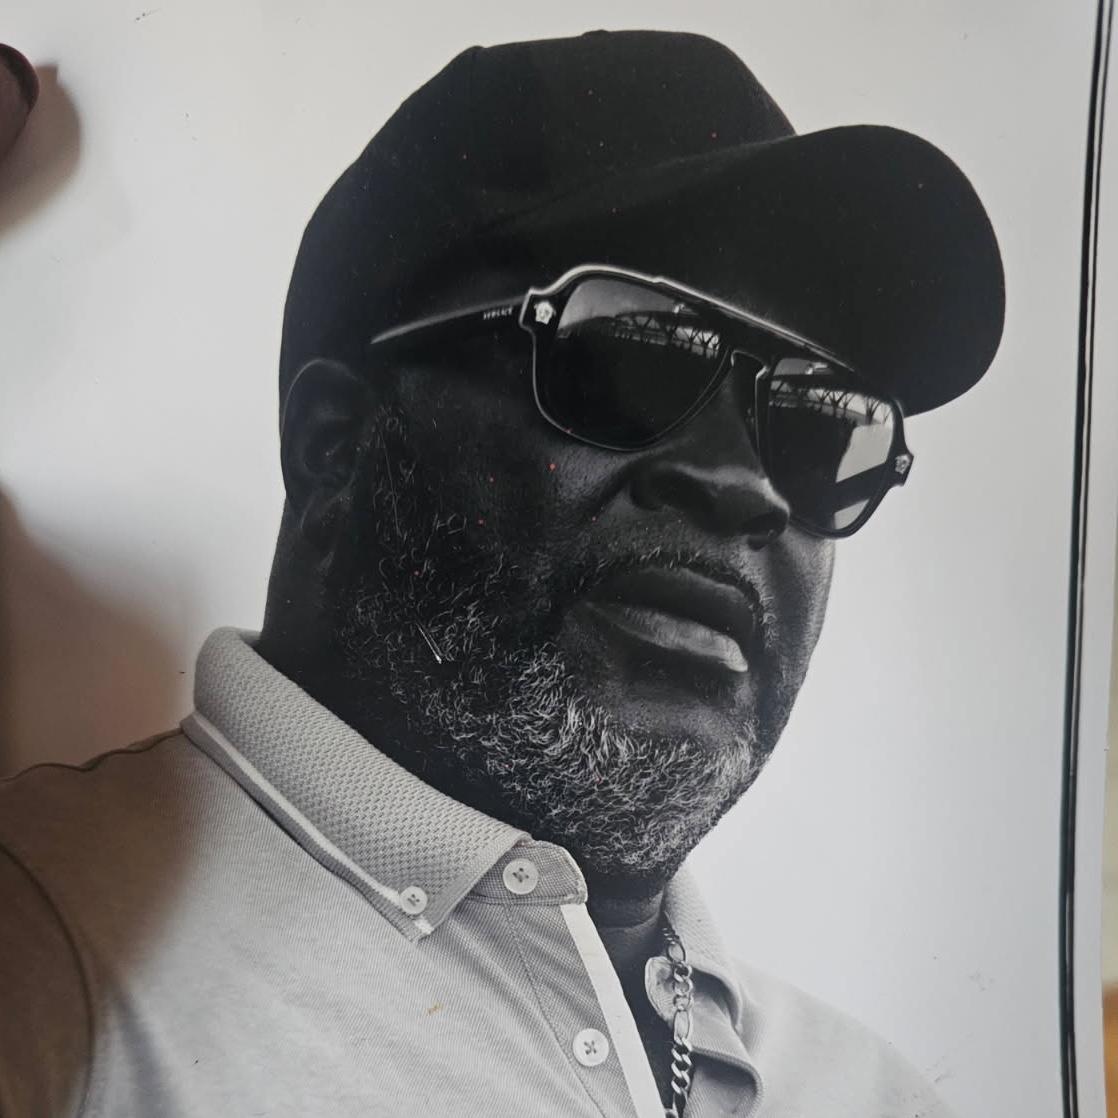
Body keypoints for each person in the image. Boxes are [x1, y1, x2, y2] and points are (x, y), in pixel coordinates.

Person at [0, 29, 1004, 1118]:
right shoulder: (47, 961)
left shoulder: (872, 1092)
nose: (745, 485)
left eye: (822, 427)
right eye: (627, 357)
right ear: (335, 446)